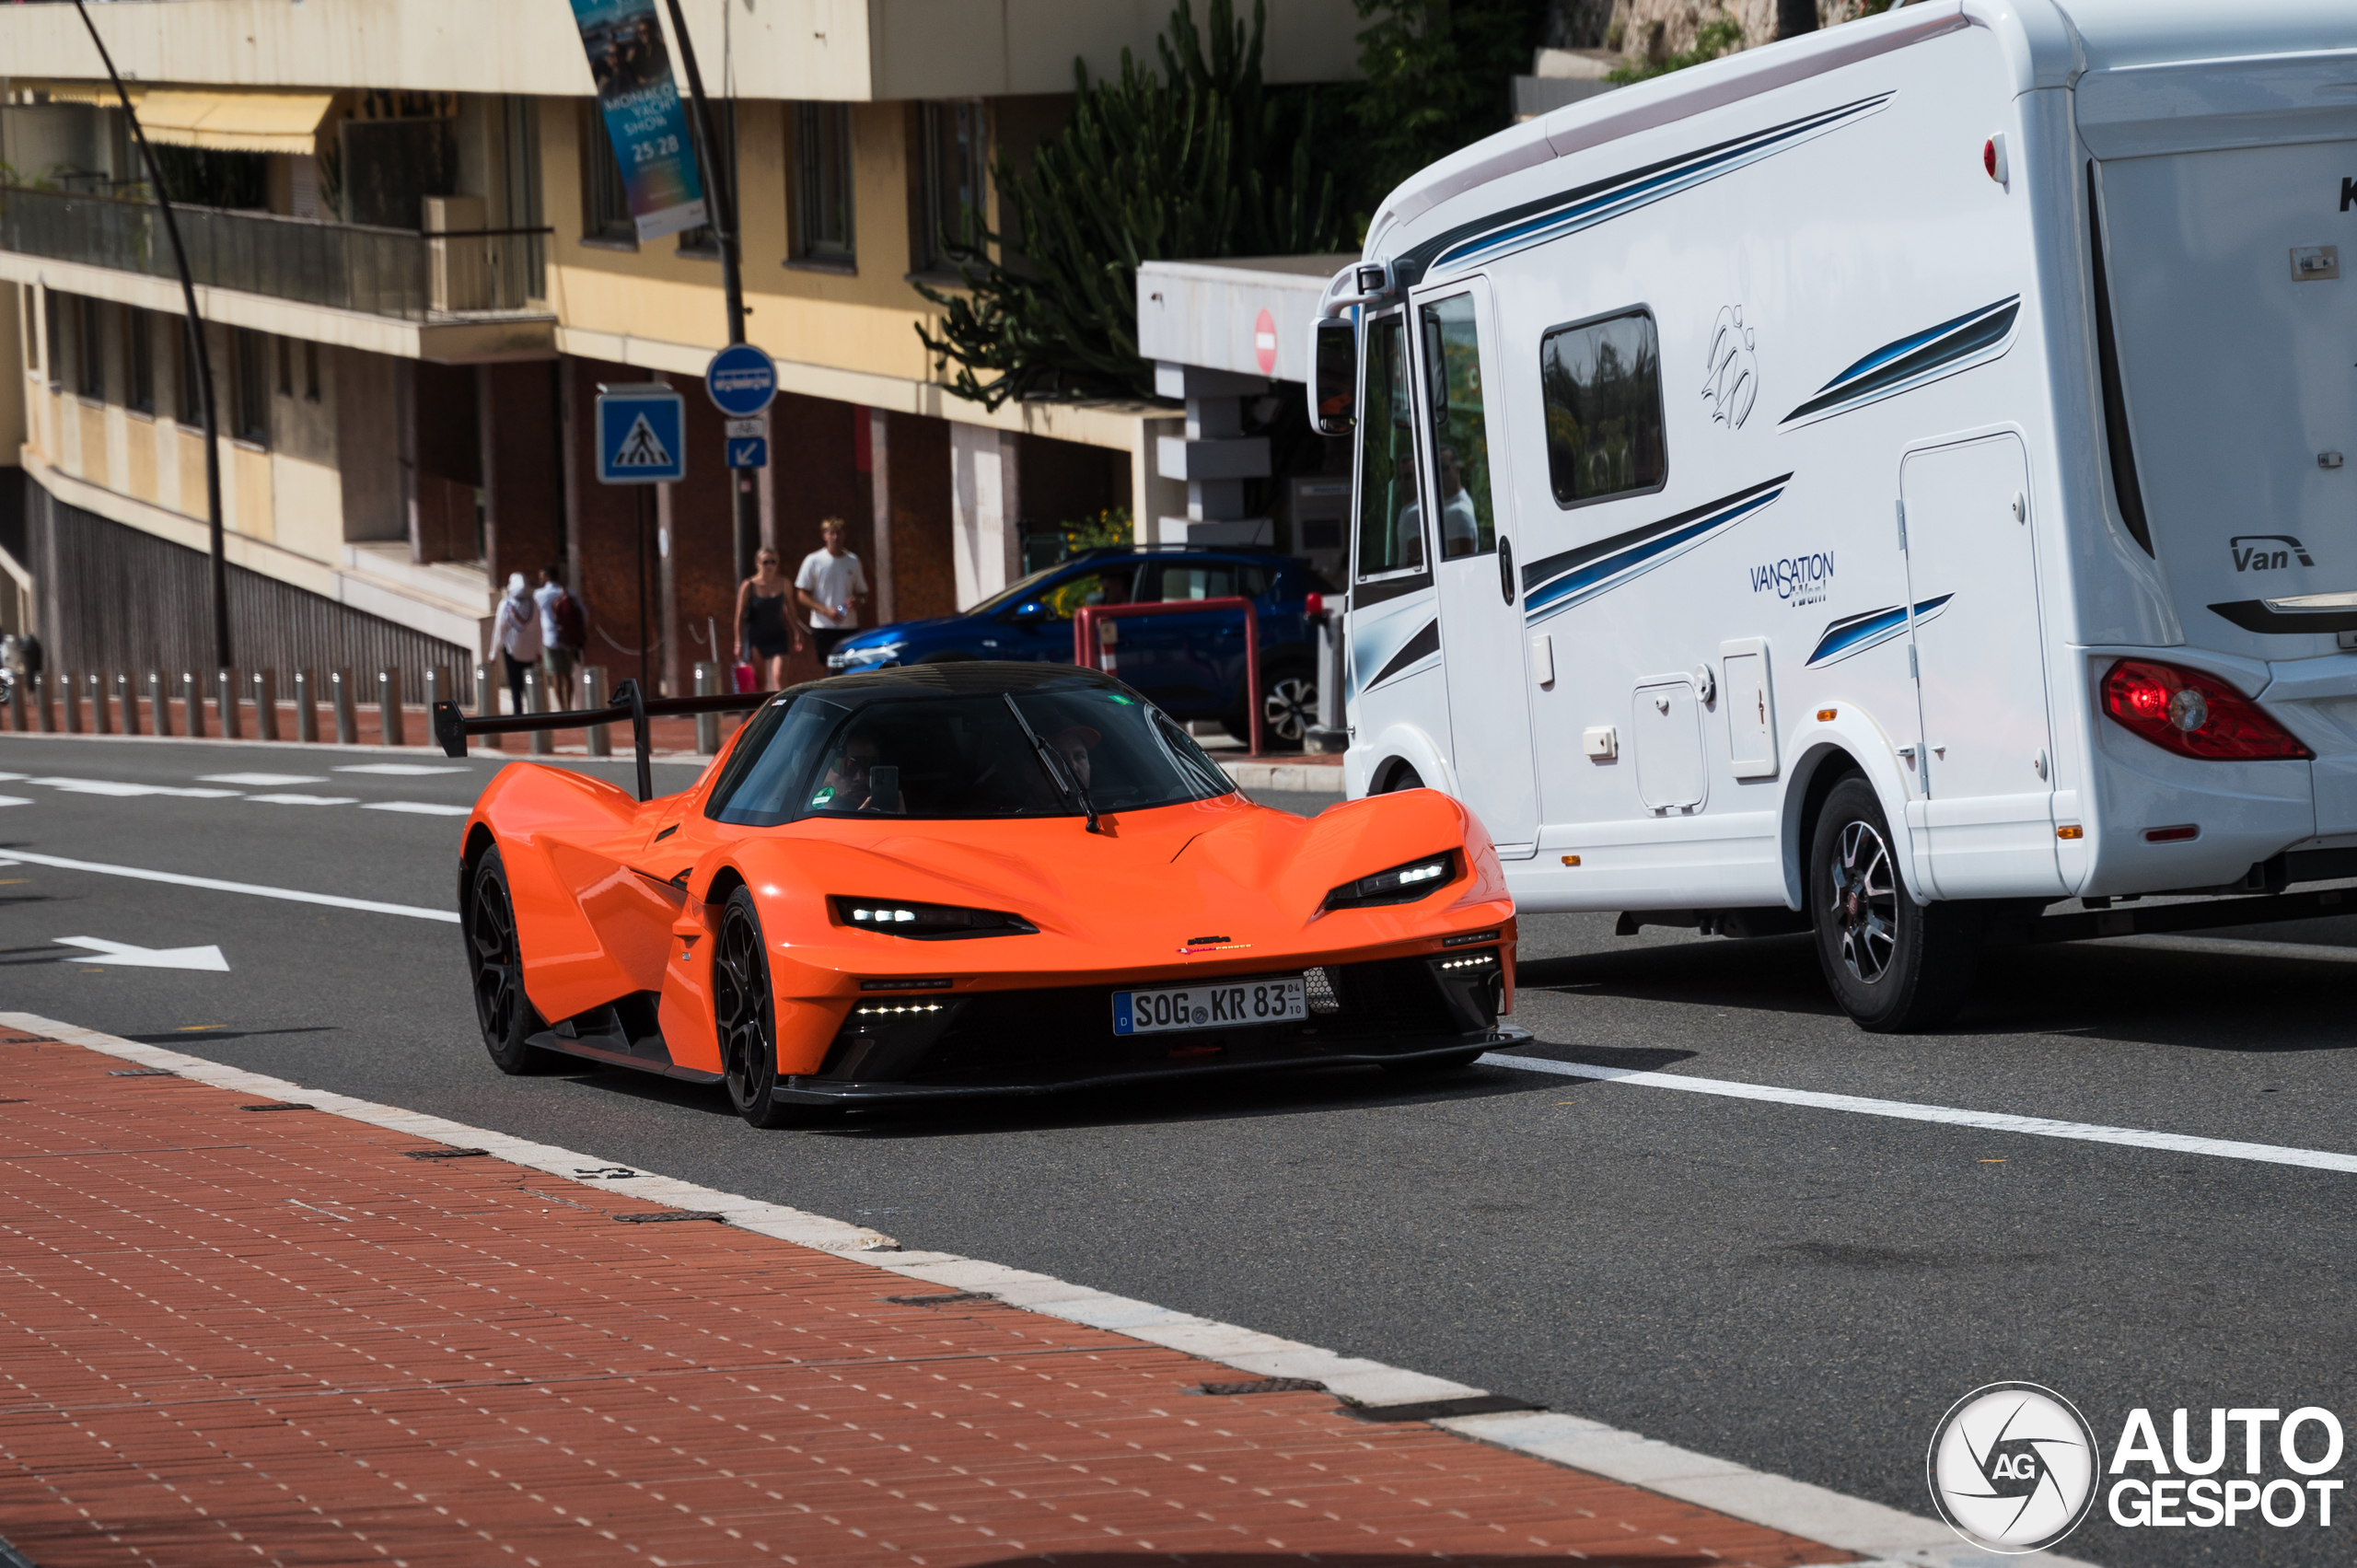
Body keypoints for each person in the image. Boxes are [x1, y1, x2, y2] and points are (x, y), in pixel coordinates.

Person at [795, 517, 869, 665]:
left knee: (848, 668)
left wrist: (858, 601)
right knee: (829, 667)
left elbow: (863, 593)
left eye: (839, 533)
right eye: (832, 533)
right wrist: (825, 610)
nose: (835, 537)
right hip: (823, 626)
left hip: (849, 626)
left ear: (844, 535)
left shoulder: (853, 561)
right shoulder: (814, 560)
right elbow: (801, 595)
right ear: (825, 535)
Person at [736, 546, 800, 691]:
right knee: (760, 682)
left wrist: (797, 632)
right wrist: (738, 642)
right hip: (756, 637)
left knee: (779, 675)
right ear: (758, 564)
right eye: (765, 562)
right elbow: (739, 615)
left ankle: (783, 712)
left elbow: (790, 609)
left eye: (773, 562)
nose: (770, 566)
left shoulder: (784, 583)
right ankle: (762, 712)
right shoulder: (749, 585)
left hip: (777, 635)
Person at [534, 564, 583, 710]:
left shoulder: (539, 594)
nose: (540, 579)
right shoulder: (569, 592)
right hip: (567, 638)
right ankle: (569, 706)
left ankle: (562, 708)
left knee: (556, 674)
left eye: (542, 576)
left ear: (548, 578)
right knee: (568, 674)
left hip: (550, 638)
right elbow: (583, 613)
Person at [493, 572, 543, 714]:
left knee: (515, 685)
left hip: (511, 650)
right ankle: (534, 712)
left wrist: (494, 653)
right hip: (531, 652)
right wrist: (539, 651)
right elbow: (539, 629)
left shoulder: (505, 604)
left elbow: (499, 630)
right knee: (530, 684)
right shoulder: (533, 606)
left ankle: (518, 713)